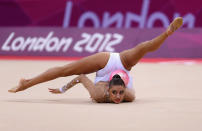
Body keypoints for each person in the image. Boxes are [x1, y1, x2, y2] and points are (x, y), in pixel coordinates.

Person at [8, 17, 183, 104]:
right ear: (112, 89)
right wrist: (62, 87)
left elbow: (82, 78)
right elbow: (78, 75)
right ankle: (26, 84)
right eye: (118, 93)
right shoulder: (128, 96)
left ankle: (167, 33)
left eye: (119, 94)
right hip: (116, 63)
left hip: (110, 75)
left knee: (67, 71)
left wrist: (64, 89)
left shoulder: (99, 95)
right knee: (143, 48)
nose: (118, 98)